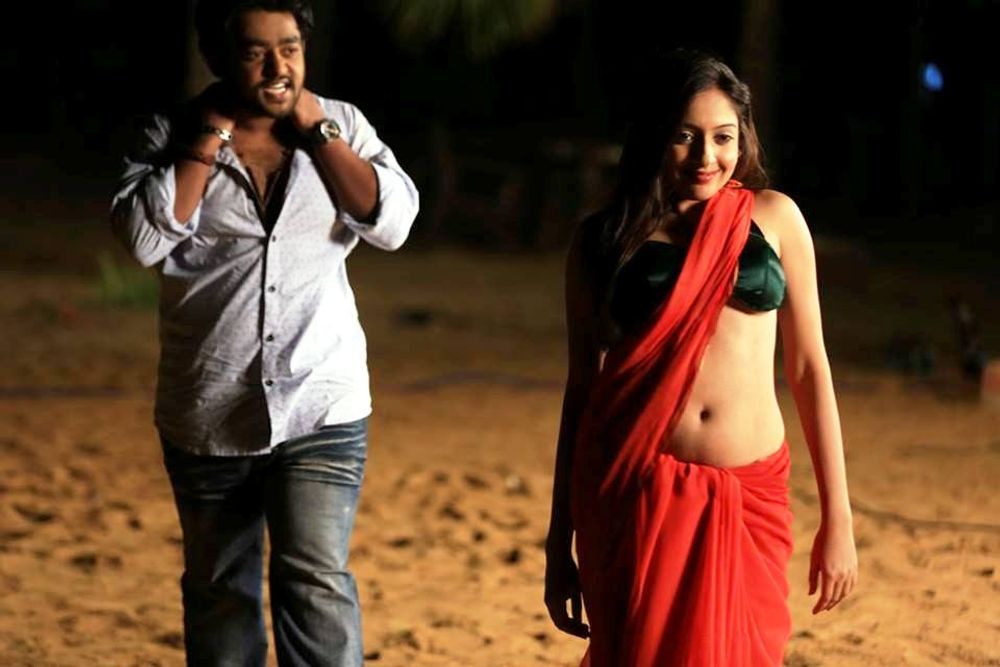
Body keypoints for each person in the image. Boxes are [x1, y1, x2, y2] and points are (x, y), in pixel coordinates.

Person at [109, 1, 418, 664]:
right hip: (209, 406)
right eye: (255, 53)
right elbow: (142, 239)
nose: (279, 67)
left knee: (316, 580)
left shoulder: (343, 125)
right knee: (220, 585)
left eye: (290, 48)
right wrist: (206, 137)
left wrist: (320, 132)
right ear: (218, 59)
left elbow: (392, 223)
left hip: (321, 401)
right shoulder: (168, 132)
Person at [544, 51, 857, 666]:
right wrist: (561, 543)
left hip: (750, 498)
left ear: (743, 139)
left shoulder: (776, 217)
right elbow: (582, 391)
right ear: (655, 136)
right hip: (633, 493)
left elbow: (809, 369)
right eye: (685, 136)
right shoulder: (604, 239)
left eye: (722, 138)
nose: (705, 157)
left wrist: (838, 518)